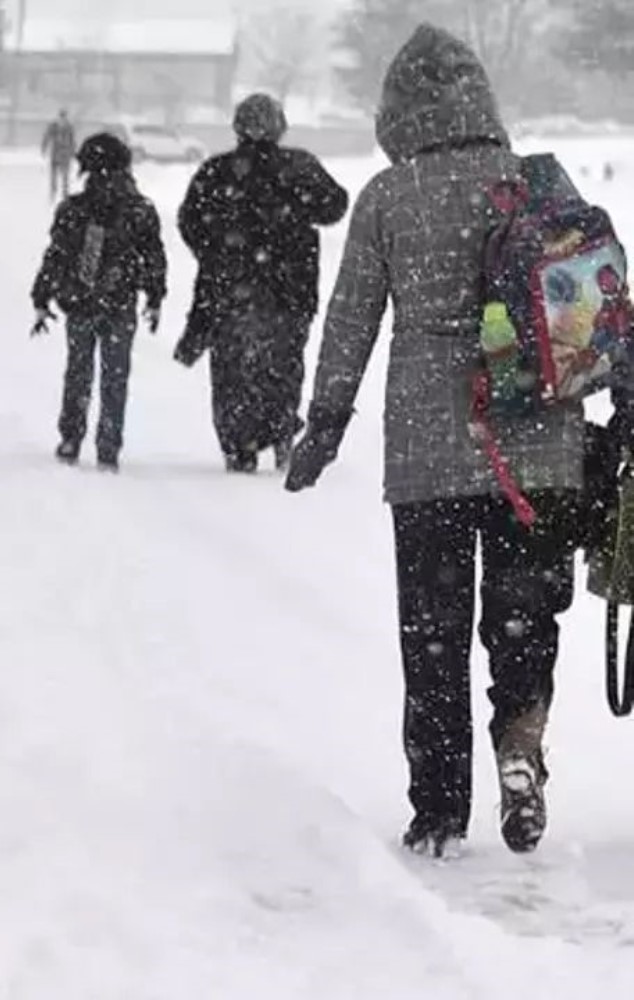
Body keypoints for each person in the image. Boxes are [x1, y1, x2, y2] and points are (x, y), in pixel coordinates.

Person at [285, 24, 620, 858]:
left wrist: (325, 420)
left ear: (397, 113)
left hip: (431, 451)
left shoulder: (390, 198)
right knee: (523, 617)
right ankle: (521, 744)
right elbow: (592, 304)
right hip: (539, 448)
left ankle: (438, 809)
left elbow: (352, 319)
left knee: (433, 634)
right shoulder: (536, 185)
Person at [176, 93, 350, 473]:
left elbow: (189, 221)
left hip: (230, 292)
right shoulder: (299, 167)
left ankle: (240, 443)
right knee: (283, 366)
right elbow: (335, 206)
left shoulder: (217, 172)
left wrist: (217, 252)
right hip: (291, 291)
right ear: (279, 127)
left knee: (232, 371)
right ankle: (281, 428)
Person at [30, 133, 167, 472]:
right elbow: (154, 257)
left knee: (78, 371)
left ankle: (71, 436)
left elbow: (56, 256)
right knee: (115, 375)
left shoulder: (74, 209)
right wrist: (154, 295)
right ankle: (108, 444)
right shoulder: (140, 210)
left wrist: (42, 294)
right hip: (120, 302)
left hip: (80, 301)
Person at [41, 109, 77, 205]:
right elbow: (47, 137)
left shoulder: (69, 127)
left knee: (64, 176)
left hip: (64, 154)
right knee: (55, 175)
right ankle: (53, 193)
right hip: (57, 154)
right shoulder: (54, 126)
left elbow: (72, 140)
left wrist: (73, 152)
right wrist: (44, 147)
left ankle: (64, 193)